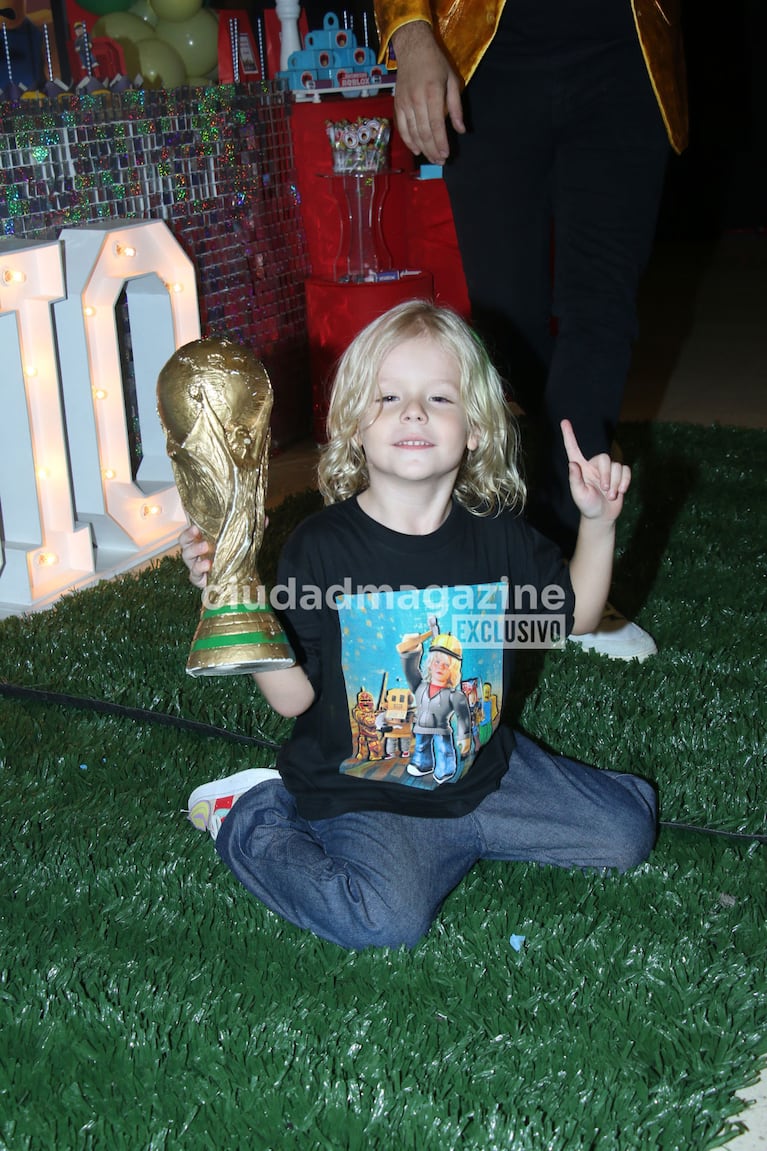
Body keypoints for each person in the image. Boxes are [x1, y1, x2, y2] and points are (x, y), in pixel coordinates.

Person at [178, 300, 657, 951]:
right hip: (366, 794)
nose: (413, 412)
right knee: (385, 919)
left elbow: (574, 612)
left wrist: (597, 524)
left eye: (438, 396)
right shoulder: (322, 548)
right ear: (352, 426)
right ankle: (252, 814)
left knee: (627, 832)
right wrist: (237, 597)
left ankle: (485, 827)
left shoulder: (500, 541)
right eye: (388, 397)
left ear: (477, 430)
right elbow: (294, 697)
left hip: (486, 772)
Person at [373, 0, 688, 660]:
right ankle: (509, 558)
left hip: (623, 47)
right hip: (490, 49)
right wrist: (410, 31)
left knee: (601, 315)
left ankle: (573, 588)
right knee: (505, 326)